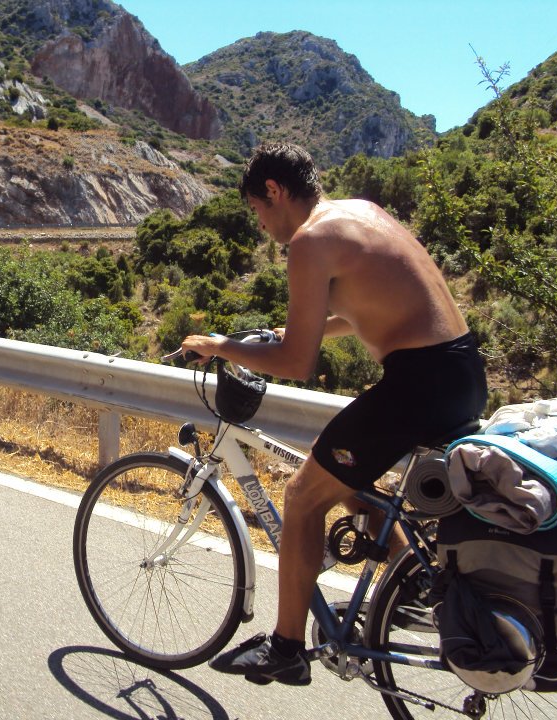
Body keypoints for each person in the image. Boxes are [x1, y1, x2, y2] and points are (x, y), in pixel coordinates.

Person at [180, 142, 487, 686]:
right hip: (461, 373)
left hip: (419, 382)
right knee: (343, 471)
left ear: (274, 191)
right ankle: (410, 585)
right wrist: (297, 329)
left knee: (302, 496)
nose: (260, 224)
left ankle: (286, 649)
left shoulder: (310, 240)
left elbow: (296, 364)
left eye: (256, 209)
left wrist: (221, 345)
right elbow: (366, 304)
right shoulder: (362, 212)